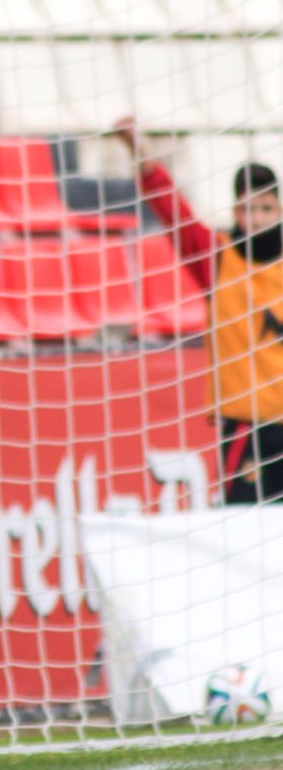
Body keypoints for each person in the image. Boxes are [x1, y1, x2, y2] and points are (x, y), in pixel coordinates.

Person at [117, 116, 283, 504]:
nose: (255, 218)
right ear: (235, 211)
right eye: (246, 209)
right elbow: (173, 211)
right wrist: (138, 148)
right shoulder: (218, 259)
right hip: (247, 424)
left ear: (278, 209)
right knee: (249, 533)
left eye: (264, 208)